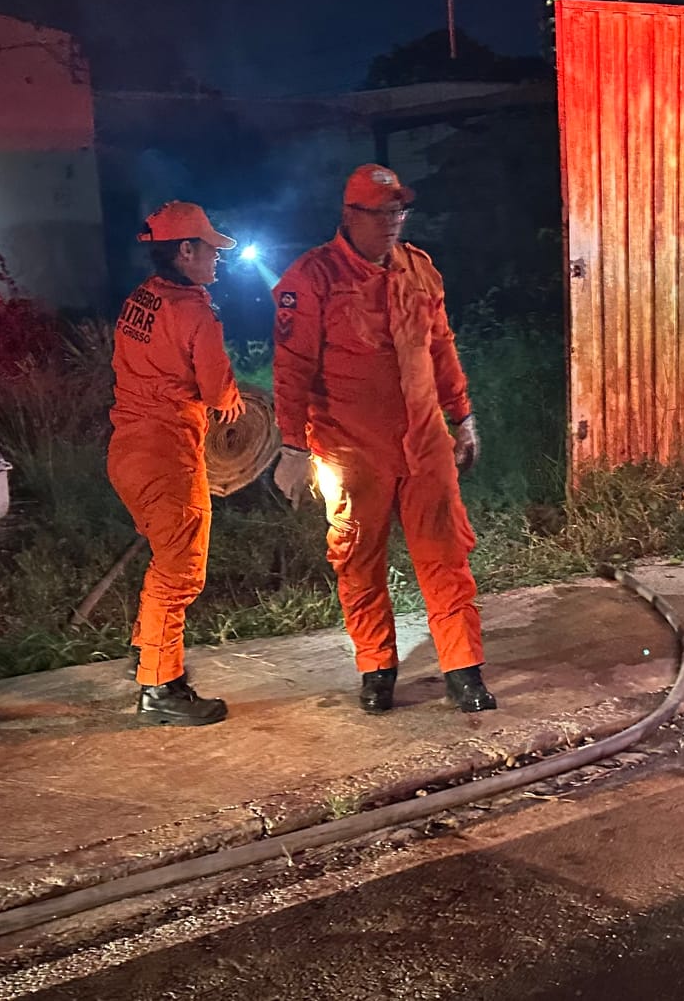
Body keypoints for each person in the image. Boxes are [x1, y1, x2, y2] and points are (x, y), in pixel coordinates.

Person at [270, 164, 495, 715]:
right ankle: (377, 670)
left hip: (425, 442)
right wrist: (293, 447)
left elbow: (440, 347)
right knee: (359, 561)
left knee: (445, 556)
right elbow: (292, 369)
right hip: (350, 449)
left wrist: (463, 416)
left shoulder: (419, 269)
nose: (392, 222)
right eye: (380, 213)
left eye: (398, 211)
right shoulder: (312, 278)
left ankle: (463, 670)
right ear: (350, 215)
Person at [108, 201, 245, 726]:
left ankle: (150, 658)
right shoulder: (195, 314)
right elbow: (218, 392)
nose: (217, 258)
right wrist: (232, 401)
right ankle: (159, 688)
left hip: (128, 451)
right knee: (180, 572)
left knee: (165, 564)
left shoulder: (141, 298)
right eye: (211, 248)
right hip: (168, 458)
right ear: (185, 250)